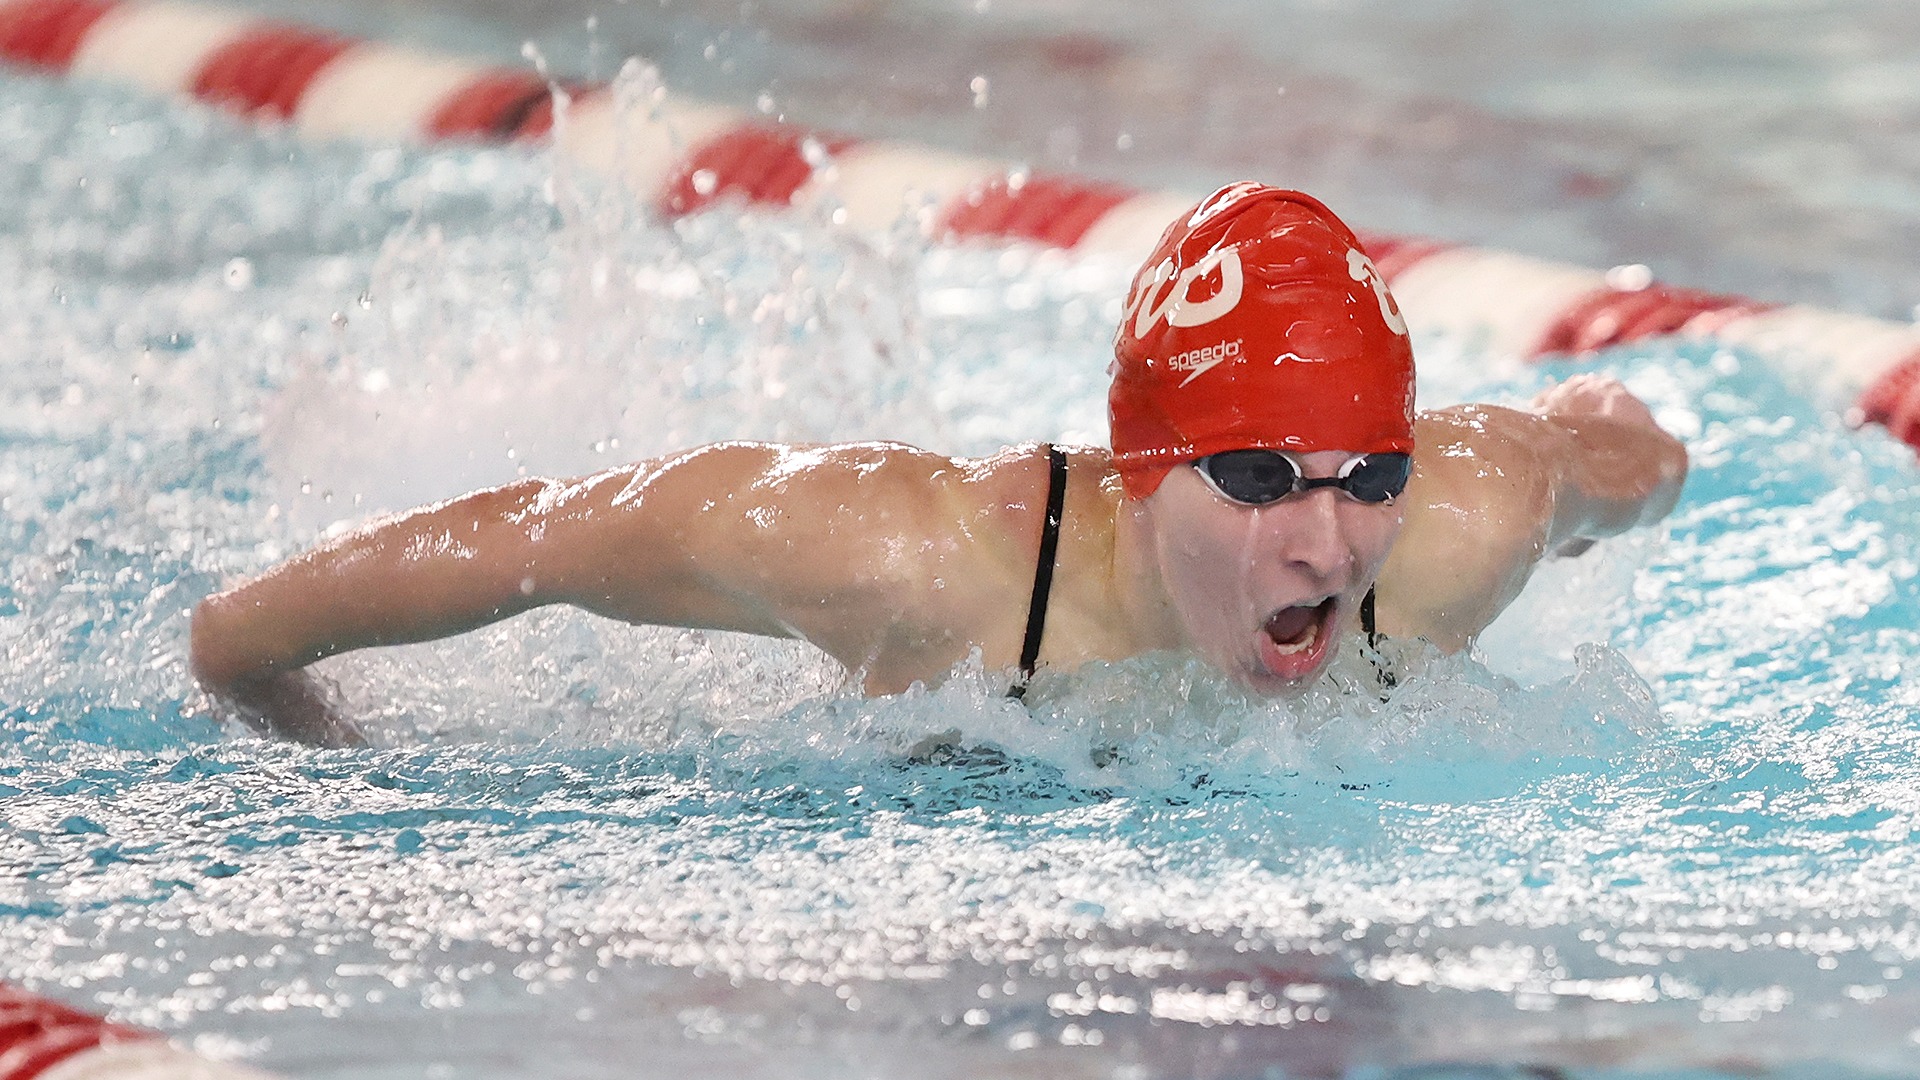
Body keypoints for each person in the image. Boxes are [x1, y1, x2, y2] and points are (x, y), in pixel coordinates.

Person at [189, 183, 1687, 744]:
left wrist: (1648, 441)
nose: (1330, 542)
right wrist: (257, 663)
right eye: (1259, 478)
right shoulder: (906, 560)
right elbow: (540, 539)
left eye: (1369, 474)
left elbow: (1627, 459)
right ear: (1142, 463)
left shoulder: (1465, 520)